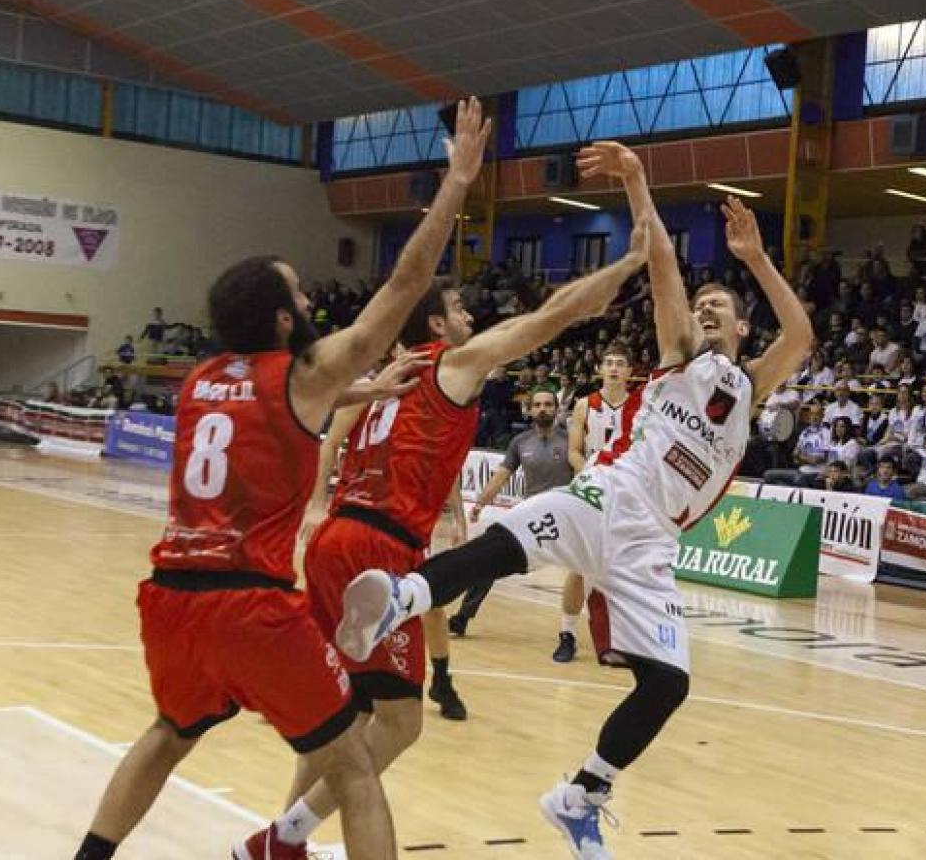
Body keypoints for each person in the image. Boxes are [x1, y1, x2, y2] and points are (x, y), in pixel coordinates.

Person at [334, 140, 814, 859]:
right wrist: (638, 179)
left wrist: (755, 259)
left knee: (668, 685)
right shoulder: (683, 352)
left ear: (745, 329)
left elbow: (801, 333)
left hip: (653, 541)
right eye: (704, 301)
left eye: (721, 306)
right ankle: (396, 603)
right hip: (606, 496)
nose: (707, 307)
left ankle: (581, 795)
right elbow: (660, 270)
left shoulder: (752, 388)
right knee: (499, 546)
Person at [74, 95, 492, 860]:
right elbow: (401, 288)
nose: (308, 302)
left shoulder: (201, 377)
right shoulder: (301, 371)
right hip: (249, 608)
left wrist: (364, 390)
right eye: (299, 294)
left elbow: (282, 410)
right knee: (357, 768)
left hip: (170, 599)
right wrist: (456, 184)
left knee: (169, 734)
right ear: (278, 320)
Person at [263, 243, 646, 860]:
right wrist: (622, 268)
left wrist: (316, 505)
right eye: (459, 307)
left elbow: (331, 438)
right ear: (438, 325)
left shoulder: (388, 374)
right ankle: (284, 838)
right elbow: (543, 320)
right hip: (377, 548)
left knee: (346, 716)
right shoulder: (452, 364)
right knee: (400, 723)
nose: (469, 314)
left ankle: (287, 839)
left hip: (337, 538)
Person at [449, 389, 575, 639]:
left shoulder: (572, 440)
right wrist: (480, 504)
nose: (542, 409)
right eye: (537, 405)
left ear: (557, 408)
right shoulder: (520, 442)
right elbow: (501, 476)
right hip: (532, 518)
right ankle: (462, 617)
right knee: (490, 558)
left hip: (567, 516)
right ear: (529, 410)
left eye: (548, 404)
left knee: (594, 575)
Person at [542, 343, 638, 663]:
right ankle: (567, 633)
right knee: (580, 566)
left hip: (626, 492)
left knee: (623, 569)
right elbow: (573, 451)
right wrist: (594, 474)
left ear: (629, 371)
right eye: (608, 362)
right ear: (599, 369)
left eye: (619, 363)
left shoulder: (640, 407)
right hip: (592, 487)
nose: (613, 368)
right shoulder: (585, 405)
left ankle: (621, 640)